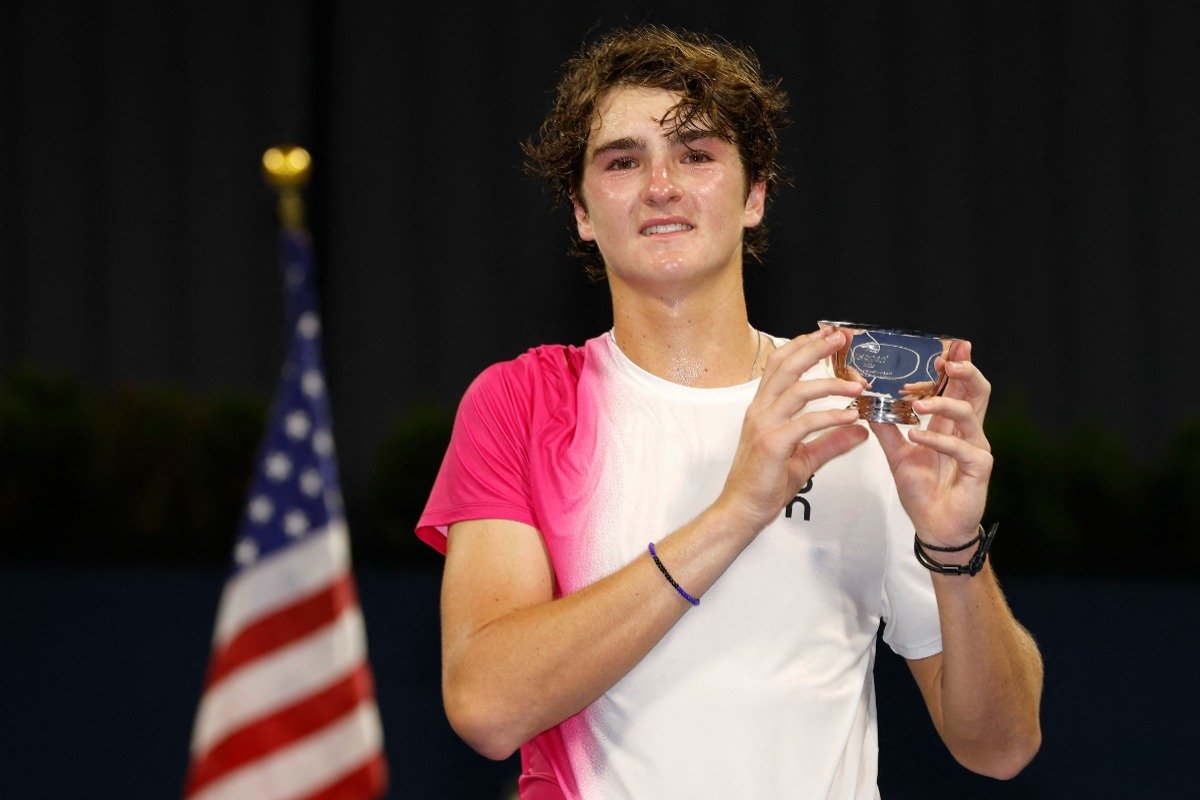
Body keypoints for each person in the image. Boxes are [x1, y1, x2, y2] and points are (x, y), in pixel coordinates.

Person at [416, 25, 1043, 799]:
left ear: (754, 196)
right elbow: (486, 706)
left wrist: (953, 549)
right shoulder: (525, 401)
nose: (661, 186)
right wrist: (739, 508)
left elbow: (1003, 746)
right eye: (622, 161)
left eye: (696, 154)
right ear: (581, 210)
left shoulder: (856, 409)